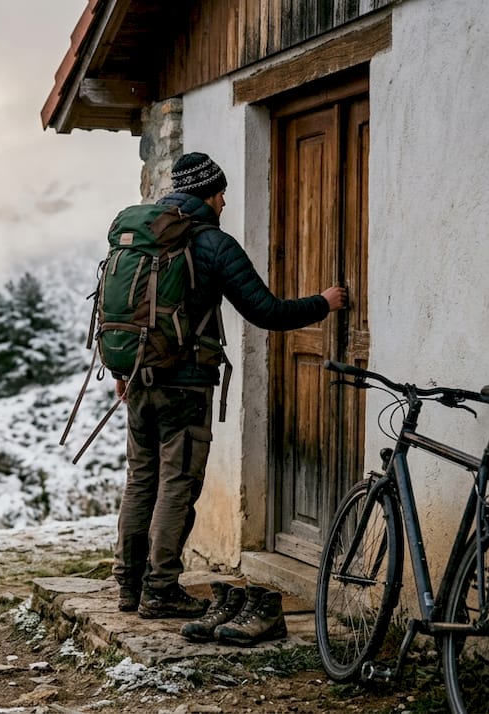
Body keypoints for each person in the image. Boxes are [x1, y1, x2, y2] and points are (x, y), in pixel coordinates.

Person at [113, 151, 348, 623]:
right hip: (185, 385)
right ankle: (159, 591)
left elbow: (128, 309)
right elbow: (266, 312)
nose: (224, 202)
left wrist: (123, 369)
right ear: (208, 193)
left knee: (141, 480)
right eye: (221, 193)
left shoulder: (144, 237)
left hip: (138, 378)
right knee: (177, 484)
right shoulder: (212, 243)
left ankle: (129, 584)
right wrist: (324, 303)